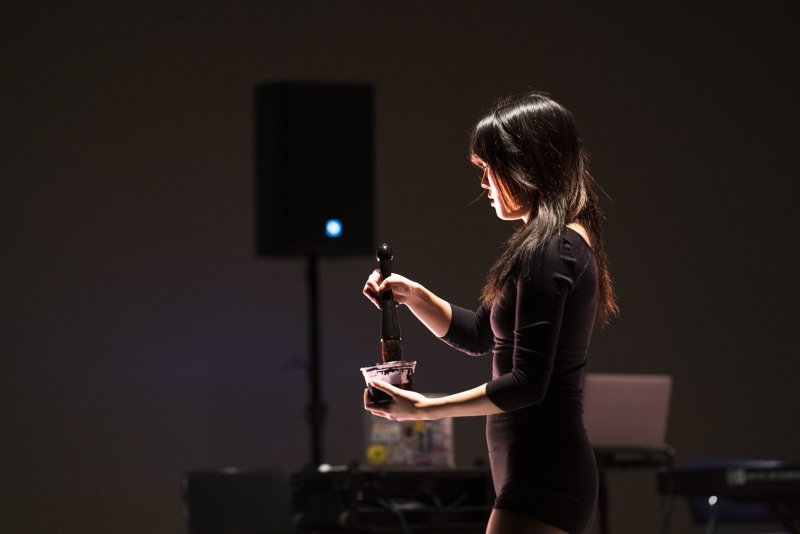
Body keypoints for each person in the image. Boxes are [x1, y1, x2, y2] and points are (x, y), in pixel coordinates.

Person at [362, 91, 618, 534]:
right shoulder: (548, 243)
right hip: (534, 475)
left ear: (529, 165)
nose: (482, 183)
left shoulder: (554, 248)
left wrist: (425, 409)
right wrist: (414, 295)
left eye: (487, 168)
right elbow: (481, 334)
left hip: (545, 477)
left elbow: (526, 384)